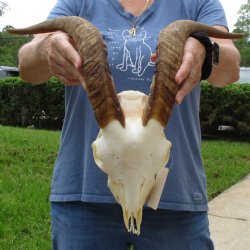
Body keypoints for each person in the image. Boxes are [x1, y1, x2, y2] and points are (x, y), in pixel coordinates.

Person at [17, 0, 241, 249]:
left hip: (175, 199)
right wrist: (46, 47)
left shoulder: (199, 3)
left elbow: (230, 69)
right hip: (84, 198)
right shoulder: (77, 2)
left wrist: (206, 49)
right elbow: (27, 67)